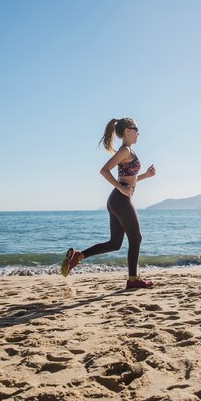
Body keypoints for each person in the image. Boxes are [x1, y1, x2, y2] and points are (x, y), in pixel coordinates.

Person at [61, 117, 156, 289]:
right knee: (136, 238)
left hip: (117, 200)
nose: (138, 134)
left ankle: (78, 256)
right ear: (127, 131)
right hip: (120, 199)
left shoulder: (129, 151)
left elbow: (129, 178)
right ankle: (133, 280)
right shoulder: (125, 150)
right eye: (136, 130)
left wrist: (145, 176)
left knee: (115, 243)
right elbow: (104, 171)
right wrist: (121, 188)